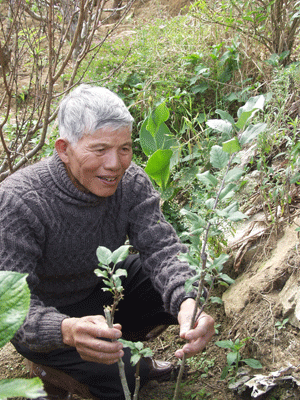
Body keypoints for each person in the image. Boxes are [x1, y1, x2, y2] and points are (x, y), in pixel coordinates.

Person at [0, 84, 214, 400]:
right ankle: (54, 369)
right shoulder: (18, 201)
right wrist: (65, 331)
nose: (114, 164)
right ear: (63, 149)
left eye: (124, 148)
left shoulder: (131, 182)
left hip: (100, 285)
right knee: (125, 376)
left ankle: (120, 347)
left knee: (184, 286)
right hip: (47, 312)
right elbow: (9, 307)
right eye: (99, 150)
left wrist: (187, 301)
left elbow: (162, 249)